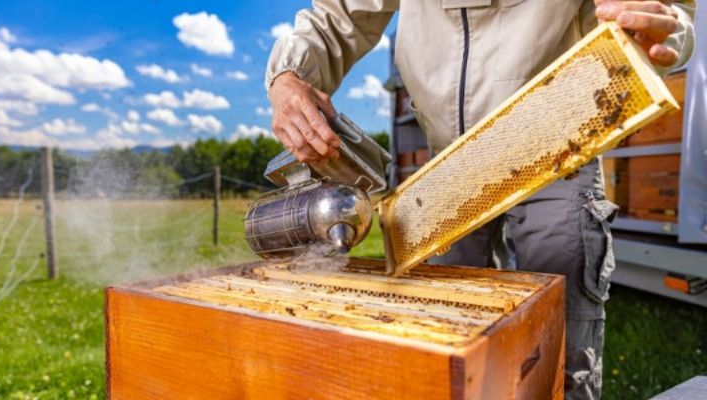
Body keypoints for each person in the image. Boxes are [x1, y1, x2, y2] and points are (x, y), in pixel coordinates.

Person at [265, 1, 696, 399]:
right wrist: (288, 75)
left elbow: (668, 11)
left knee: (558, 349)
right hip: (447, 169)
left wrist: (659, 30)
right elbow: (339, 15)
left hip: (558, 142)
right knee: (444, 337)